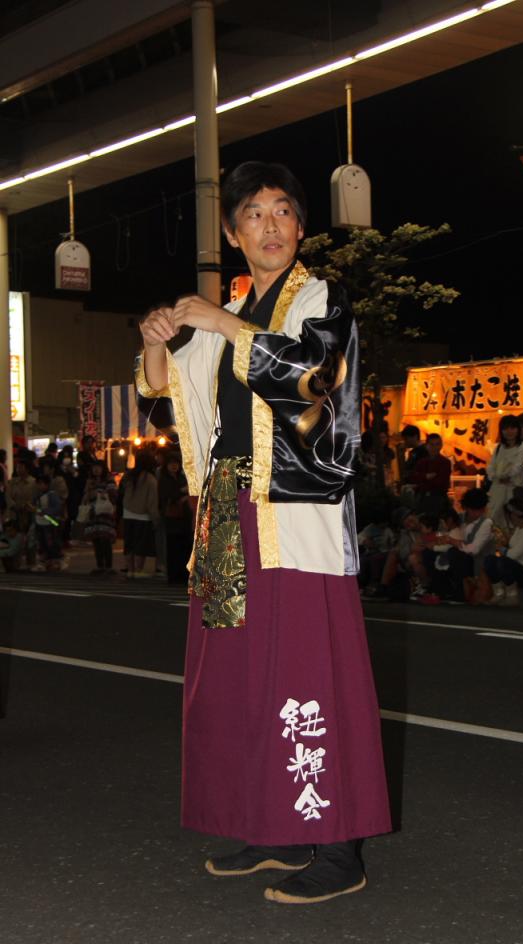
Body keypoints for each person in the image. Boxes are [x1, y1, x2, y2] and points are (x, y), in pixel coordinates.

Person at [137, 161, 391, 904]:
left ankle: (339, 847)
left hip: (294, 517)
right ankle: (274, 826)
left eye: (285, 211)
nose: (271, 225)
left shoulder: (321, 300)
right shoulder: (239, 305)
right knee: (245, 677)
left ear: (302, 226)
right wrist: (159, 340)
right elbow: (173, 390)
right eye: (255, 214)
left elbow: (313, 377)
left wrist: (221, 322)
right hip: (229, 515)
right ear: (232, 231)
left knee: (310, 674)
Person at [483, 496, 523, 606]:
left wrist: (501, 549)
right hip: (516, 564)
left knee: (504, 562)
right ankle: (499, 592)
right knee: (489, 559)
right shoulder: (519, 528)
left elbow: (513, 555)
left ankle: (512, 595)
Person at [119, 450, 159, 578]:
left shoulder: (129, 476)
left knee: (129, 543)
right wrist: (155, 518)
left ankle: (130, 570)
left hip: (127, 513)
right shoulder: (150, 479)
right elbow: (152, 501)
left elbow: (122, 494)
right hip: (143, 515)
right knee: (140, 544)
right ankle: (138, 570)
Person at [485, 415, 523, 527]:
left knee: (512, 521)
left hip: (513, 489)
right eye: (505, 428)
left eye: (512, 428)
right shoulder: (499, 447)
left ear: (517, 429)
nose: (509, 431)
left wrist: (501, 476)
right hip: (496, 489)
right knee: (493, 518)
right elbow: (490, 466)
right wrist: (496, 477)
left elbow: (517, 467)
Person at [157, 450, 193, 584]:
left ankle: (183, 575)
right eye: (171, 464)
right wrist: (181, 493)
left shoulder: (182, 478)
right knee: (173, 547)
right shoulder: (164, 479)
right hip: (171, 518)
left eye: (176, 464)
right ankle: (173, 576)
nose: (174, 466)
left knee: (184, 547)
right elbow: (165, 496)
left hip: (184, 517)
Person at [80, 461, 118, 574]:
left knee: (105, 539)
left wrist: (98, 493)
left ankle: (109, 566)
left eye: (98, 467)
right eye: (94, 467)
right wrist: (89, 490)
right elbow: (85, 497)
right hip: (93, 514)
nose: (96, 470)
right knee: (96, 539)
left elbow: (113, 495)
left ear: (103, 469)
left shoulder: (109, 480)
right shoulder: (89, 481)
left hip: (105, 514)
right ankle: (100, 565)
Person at [412, 433, 451, 516]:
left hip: (439, 498)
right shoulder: (421, 462)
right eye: (432, 444)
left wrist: (423, 479)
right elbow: (414, 477)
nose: (434, 448)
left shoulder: (445, 463)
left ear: (441, 445)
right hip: (422, 498)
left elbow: (441, 482)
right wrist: (426, 476)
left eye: (437, 444)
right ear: (427, 445)